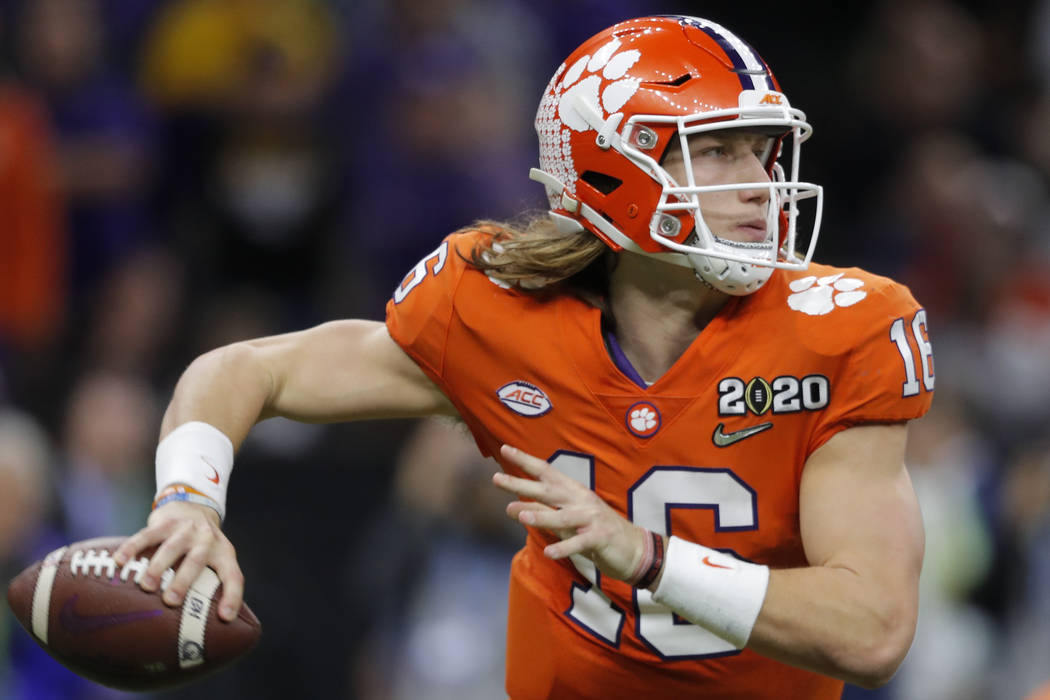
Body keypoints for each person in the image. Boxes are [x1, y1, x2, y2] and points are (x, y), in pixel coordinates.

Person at [114, 16, 934, 699]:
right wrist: (187, 502)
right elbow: (246, 368)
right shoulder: (498, 314)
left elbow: (873, 631)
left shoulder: (841, 329)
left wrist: (646, 557)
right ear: (613, 169)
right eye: (718, 151)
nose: (759, 183)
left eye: (763, 151)